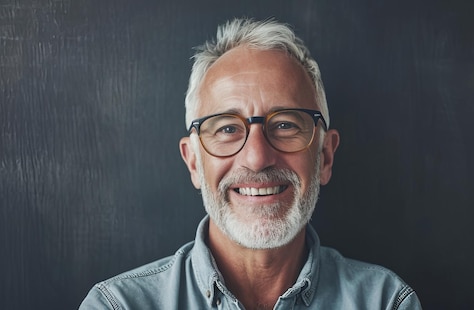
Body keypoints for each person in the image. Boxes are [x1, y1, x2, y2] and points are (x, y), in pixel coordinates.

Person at [80, 17, 422, 310]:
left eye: (285, 124)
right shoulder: (118, 305)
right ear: (194, 163)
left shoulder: (386, 302)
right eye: (227, 128)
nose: (257, 158)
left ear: (325, 156)